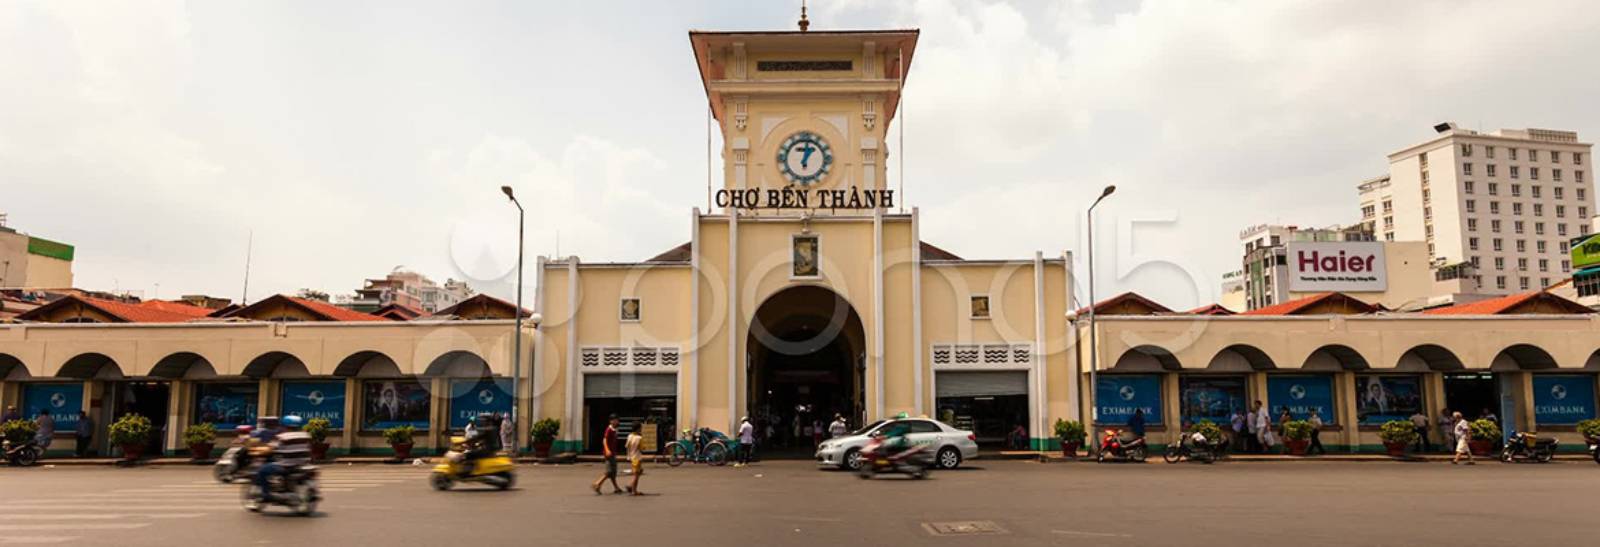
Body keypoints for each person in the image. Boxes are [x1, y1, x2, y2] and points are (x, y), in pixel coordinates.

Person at [252, 415, 311, 501]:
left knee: (262, 471)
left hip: (285, 466)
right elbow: (310, 450)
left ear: (284, 425)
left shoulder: (282, 437)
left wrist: (258, 452)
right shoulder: (306, 435)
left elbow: (270, 448)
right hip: (301, 465)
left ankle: (266, 495)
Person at [591, 415, 623, 495]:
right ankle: (597, 484)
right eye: (615, 420)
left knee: (613, 472)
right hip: (609, 454)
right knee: (609, 471)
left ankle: (616, 487)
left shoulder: (614, 430)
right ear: (611, 421)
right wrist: (607, 450)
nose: (617, 422)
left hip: (613, 453)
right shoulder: (609, 429)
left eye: (617, 420)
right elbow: (604, 440)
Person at [625, 424, 644, 496]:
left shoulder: (629, 436)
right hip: (637, 457)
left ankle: (631, 486)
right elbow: (642, 448)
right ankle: (633, 490)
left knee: (639, 472)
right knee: (636, 475)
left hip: (631, 457)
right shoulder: (639, 438)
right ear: (638, 429)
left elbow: (627, 446)